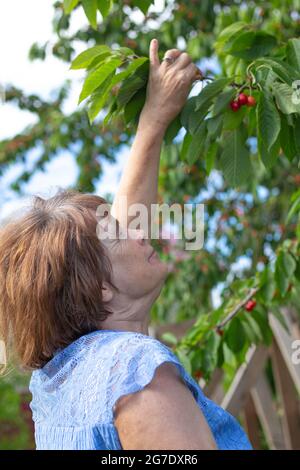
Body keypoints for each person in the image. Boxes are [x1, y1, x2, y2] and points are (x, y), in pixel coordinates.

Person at [0, 39, 252, 450]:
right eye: (119, 232)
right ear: (100, 286)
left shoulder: (57, 381)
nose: (139, 227)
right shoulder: (135, 368)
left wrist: (153, 120)